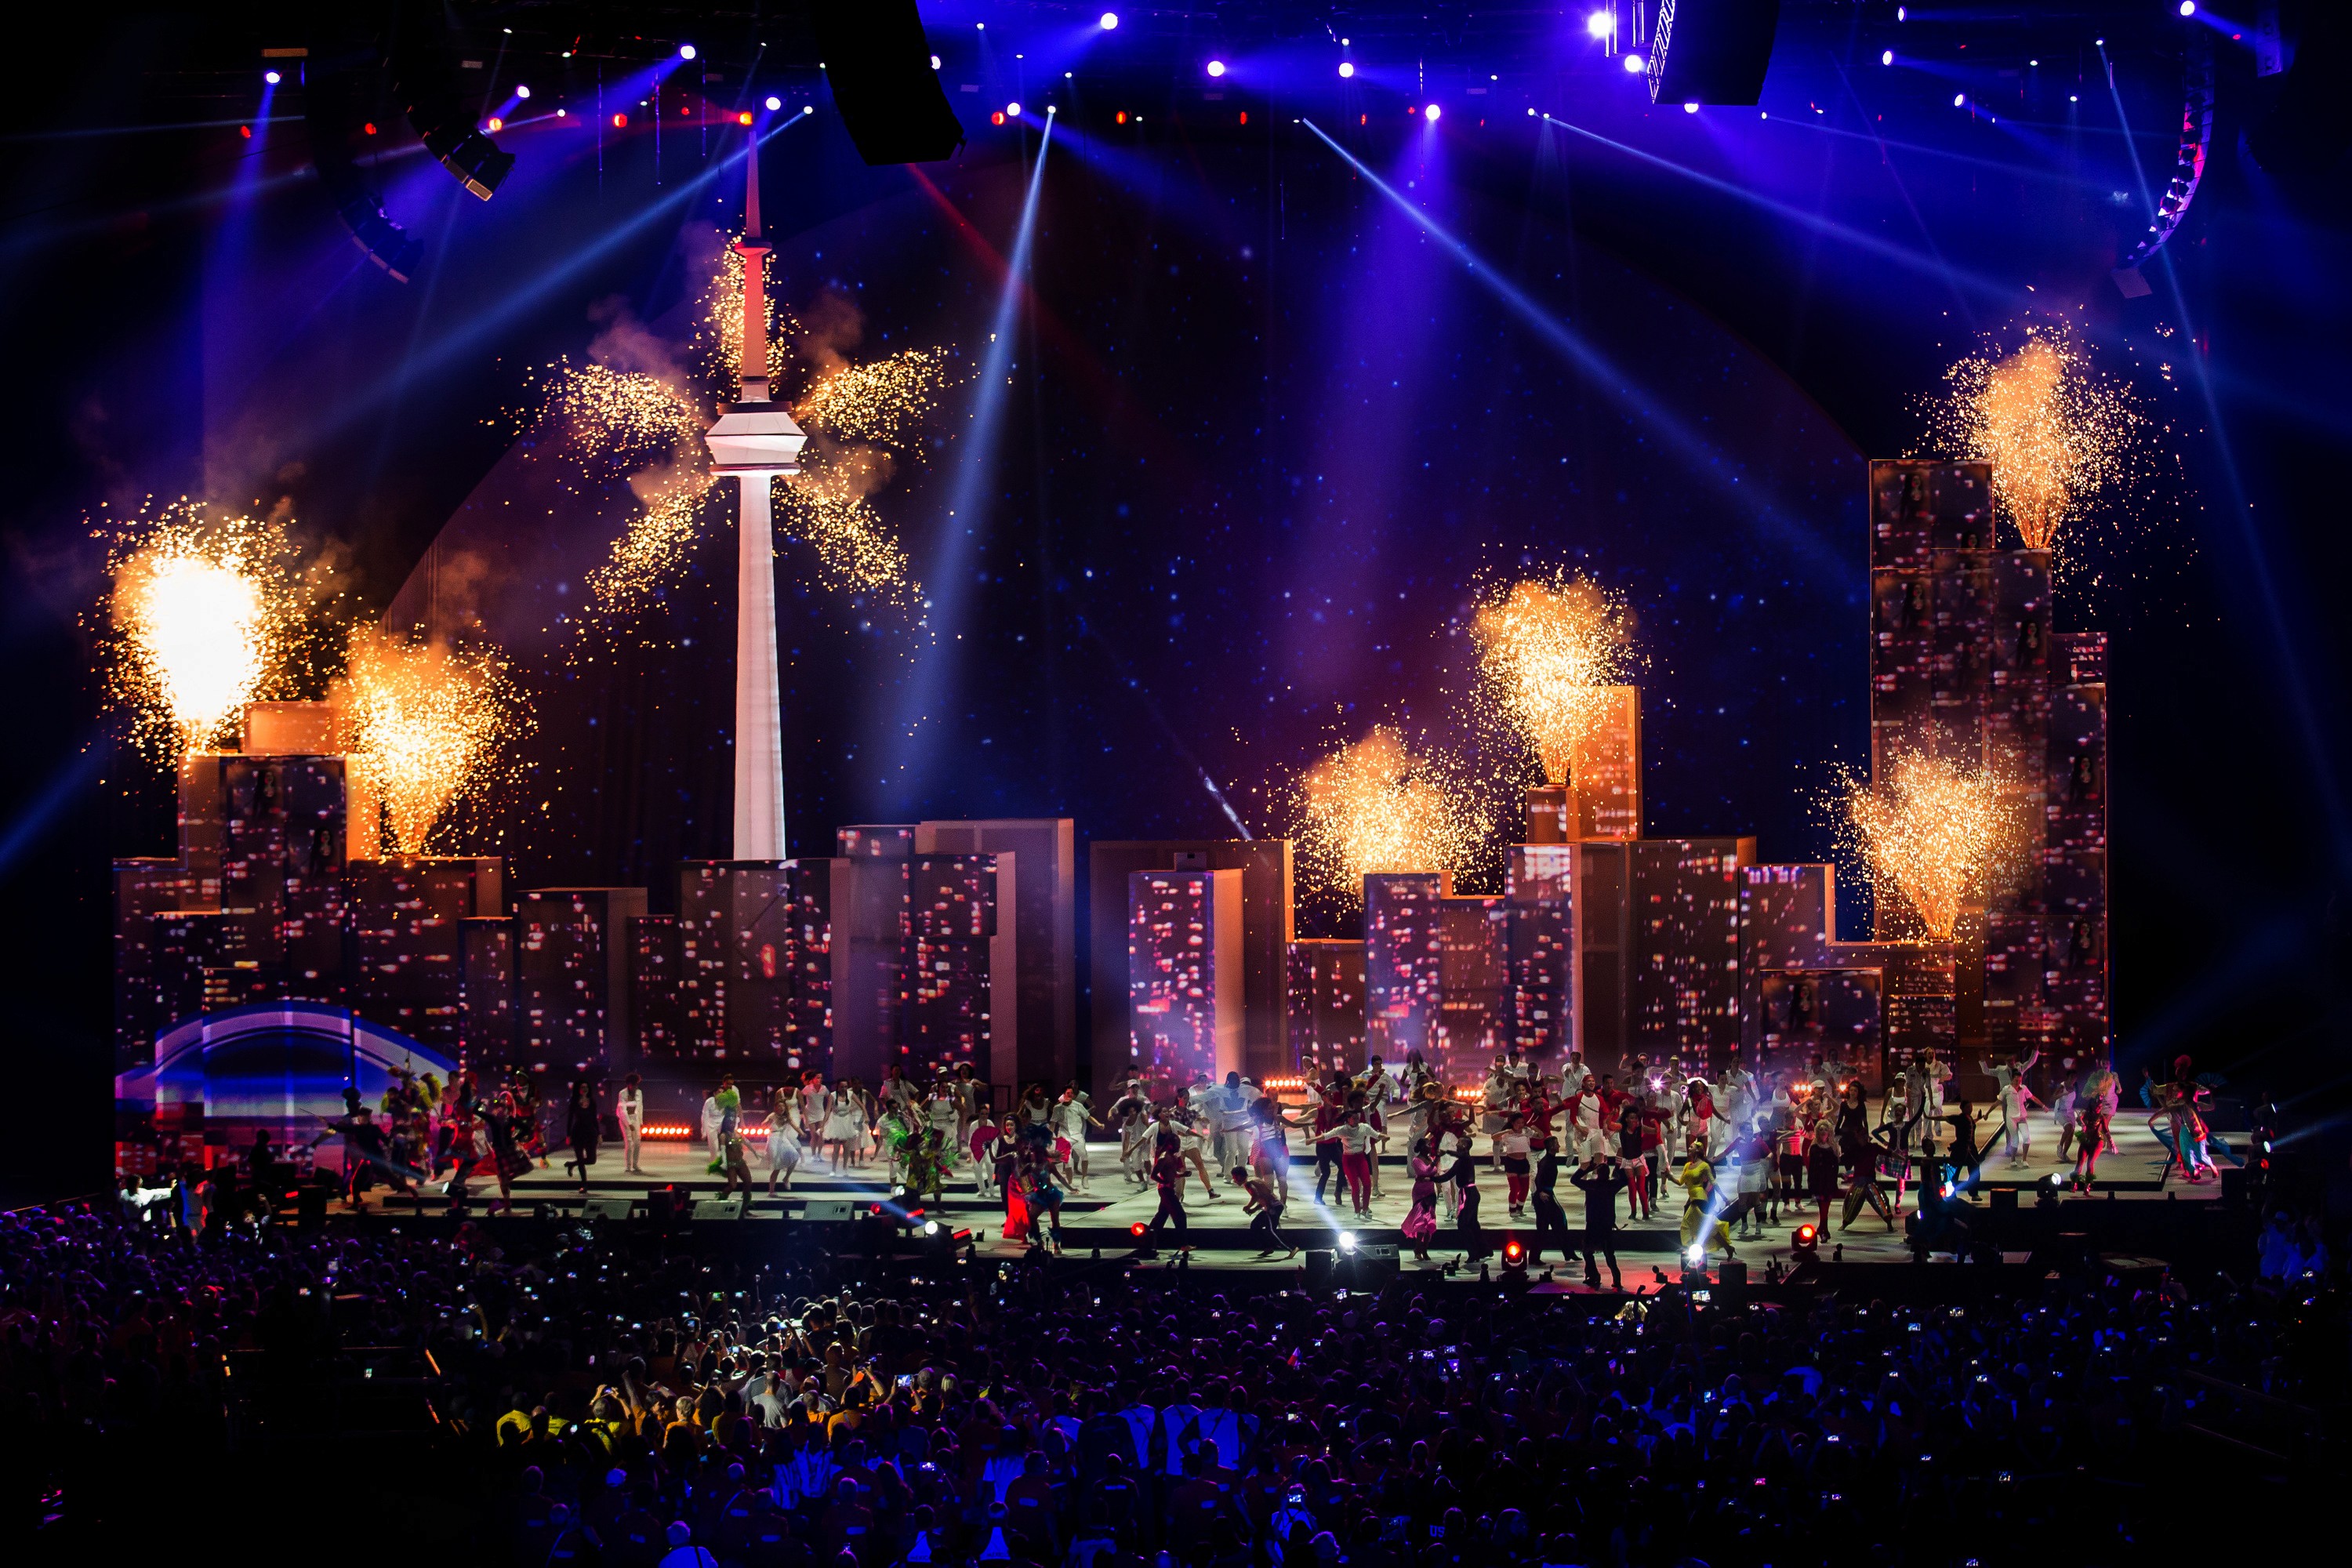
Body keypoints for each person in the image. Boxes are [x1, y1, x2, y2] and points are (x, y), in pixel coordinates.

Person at [1569, 1153, 1629, 1291]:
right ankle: (1616, 1279)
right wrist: (1619, 1168)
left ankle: (1594, 1276)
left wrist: (1586, 1169)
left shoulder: (1591, 1185)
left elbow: (1574, 1179)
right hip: (1606, 1224)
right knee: (1609, 1254)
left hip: (1593, 1224)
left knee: (1587, 1252)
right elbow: (1625, 1181)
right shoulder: (1611, 1185)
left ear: (1597, 1173)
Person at [1231, 1166, 1294, 1260]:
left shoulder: (1248, 1184)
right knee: (1256, 1225)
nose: (1234, 1180)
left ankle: (1291, 1248)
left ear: (1239, 1176)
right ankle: (1268, 1247)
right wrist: (1254, 1210)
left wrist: (1248, 1206)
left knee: (1270, 1231)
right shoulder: (1254, 1179)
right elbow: (1263, 1197)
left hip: (1273, 1207)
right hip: (1272, 1207)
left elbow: (1256, 1196)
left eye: (1235, 1177)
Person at [1143, 1132, 1190, 1250]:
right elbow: (1154, 1175)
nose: (1178, 1147)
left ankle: (1148, 1239)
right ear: (1170, 1144)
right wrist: (1164, 1182)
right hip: (1165, 1190)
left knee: (1161, 1216)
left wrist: (1182, 1174)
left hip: (1169, 1189)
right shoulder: (1164, 1158)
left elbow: (1173, 1173)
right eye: (1176, 1144)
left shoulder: (1173, 1157)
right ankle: (1183, 1244)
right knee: (1180, 1215)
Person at [1401, 1134, 1442, 1262]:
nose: (1430, 1146)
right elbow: (1425, 1171)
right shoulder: (1416, 1160)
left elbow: (1433, 1174)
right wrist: (1435, 1162)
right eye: (1427, 1144)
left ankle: (1425, 1249)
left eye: (1430, 1144)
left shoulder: (1431, 1158)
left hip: (1430, 1192)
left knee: (1430, 1222)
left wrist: (1436, 1184)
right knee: (1421, 1222)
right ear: (1421, 1147)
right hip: (1420, 1193)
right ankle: (1418, 1248)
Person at [564, 1080, 601, 1193]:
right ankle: (584, 1184)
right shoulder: (574, 1102)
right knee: (580, 1159)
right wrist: (568, 1135)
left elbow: (595, 1118)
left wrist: (599, 1134)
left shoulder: (592, 1102)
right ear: (578, 1089)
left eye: (586, 1087)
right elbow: (570, 1119)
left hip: (590, 1132)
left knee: (591, 1160)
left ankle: (572, 1164)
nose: (585, 1089)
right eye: (582, 1087)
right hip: (578, 1132)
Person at [766, 1086, 801, 1196]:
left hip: (783, 1139)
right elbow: (764, 1123)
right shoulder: (773, 1115)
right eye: (779, 1107)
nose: (781, 1109)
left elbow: (795, 1126)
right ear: (776, 1108)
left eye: (783, 1107)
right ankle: (771, 1191)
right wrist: (767, 1122)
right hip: (773, 1139)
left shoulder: (787, 1117)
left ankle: (786, 1178)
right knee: (777, 1166)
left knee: (795, 1156)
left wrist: (802, 1133)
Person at [615, 1073, 645, 1175]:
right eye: (635, 1085)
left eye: (637, 1085)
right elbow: (622, 1111)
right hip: (624, 1120)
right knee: (629, 1142)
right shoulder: (622, 1093)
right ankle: (628, 1166)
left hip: (635, 1119)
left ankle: (635, 1164)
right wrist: (629, 1123)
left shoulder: (639, 1093)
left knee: (637, 1141)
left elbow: (640, 1107)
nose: (636, 1087)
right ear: (629, 1084)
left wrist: (640, 1122)